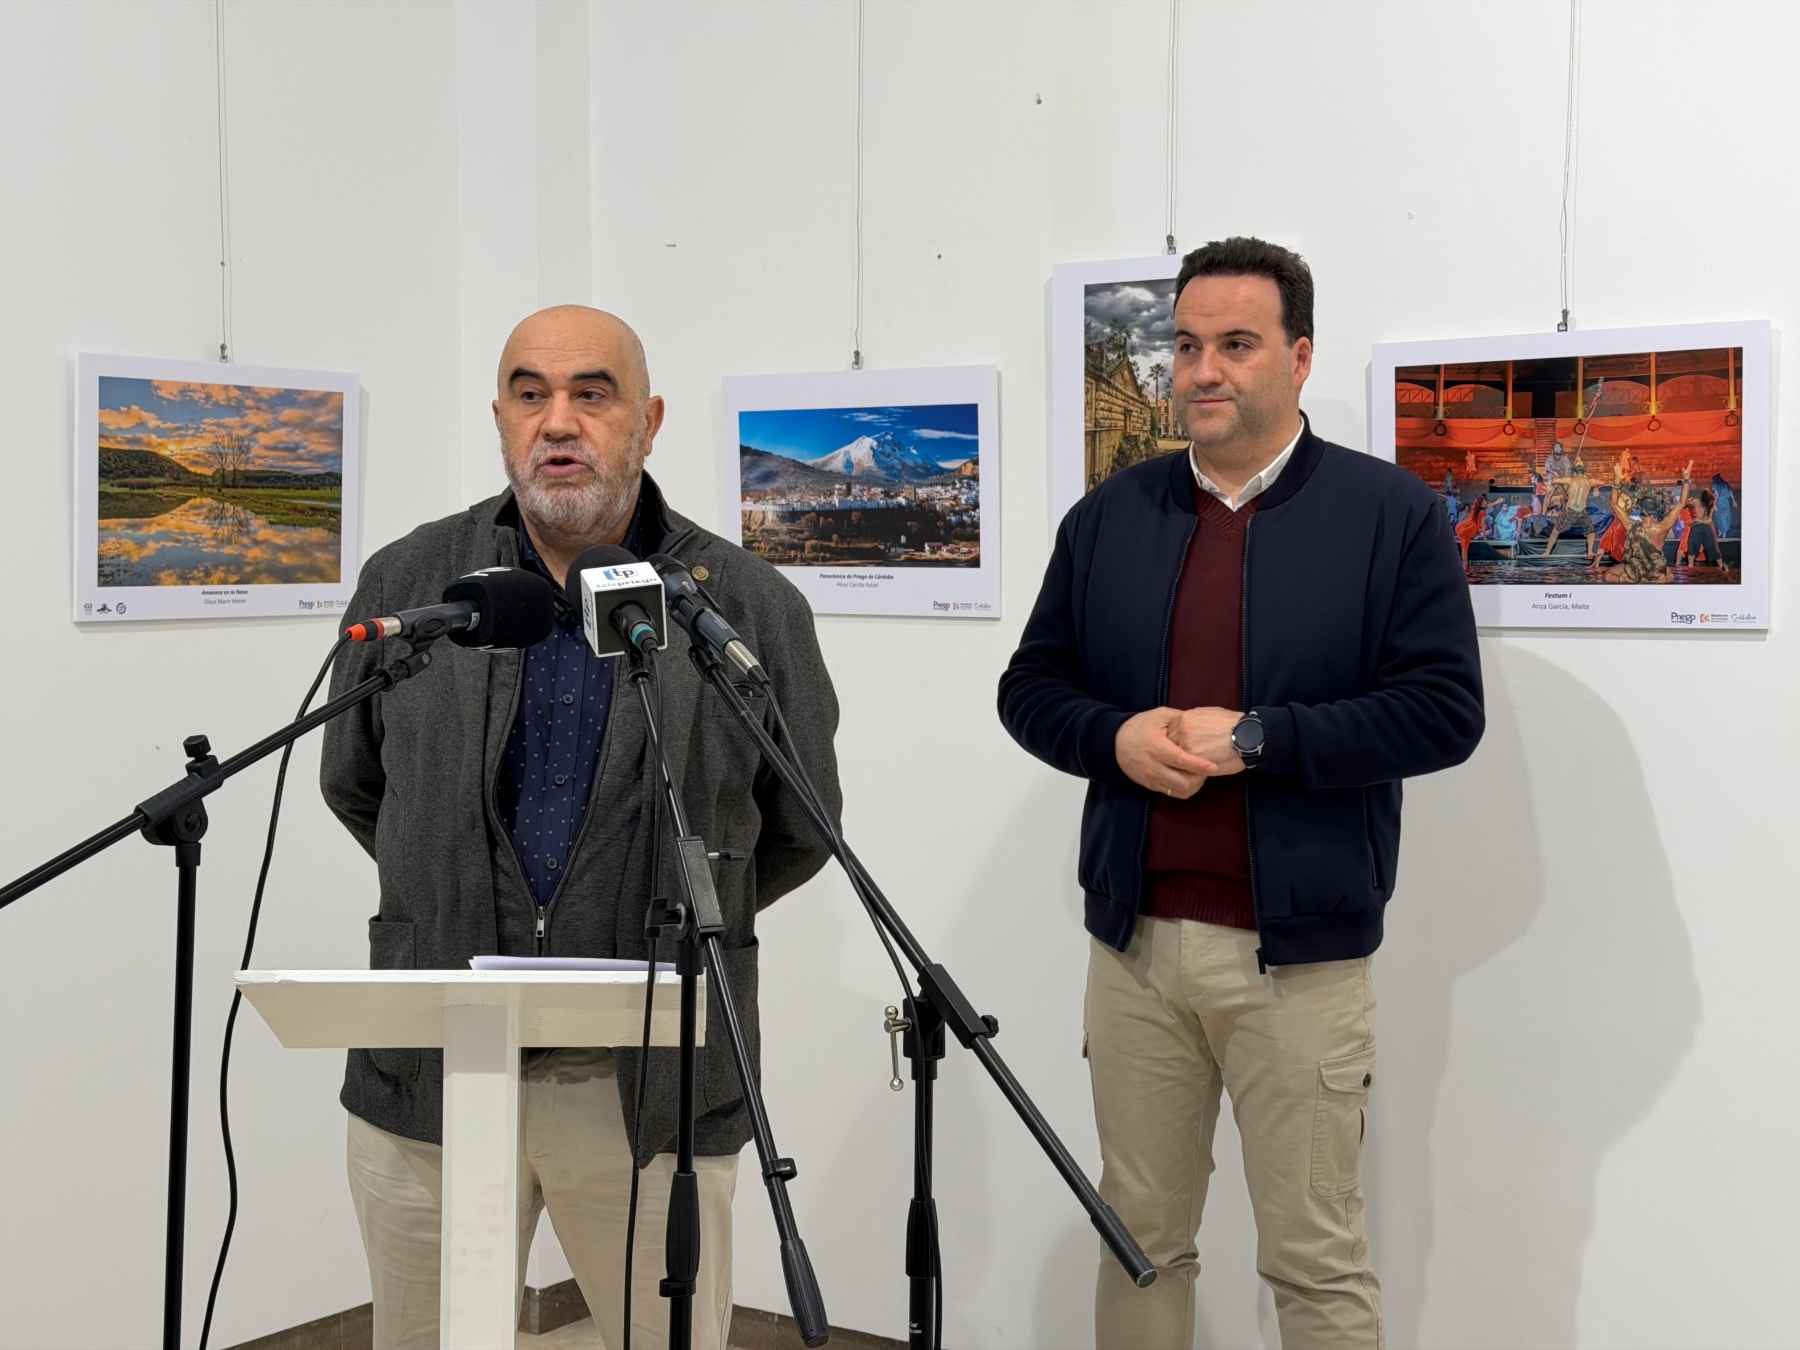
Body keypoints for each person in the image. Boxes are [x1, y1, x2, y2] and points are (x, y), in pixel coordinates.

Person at [320, 305, 842, 1350]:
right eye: (530, 393)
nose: (558, 421)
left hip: (648, 1086)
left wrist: (664, 906)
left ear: (645, 421)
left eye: (591, 394)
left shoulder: (743, 601)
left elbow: (799, 824)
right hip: (434, 1076)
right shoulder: (409, 581)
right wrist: (459, 888)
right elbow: (358, 784)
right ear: (502, 417)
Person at [998, 237, 1484, 1350]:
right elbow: (1030, 689)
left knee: (1314, 1262)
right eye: (1184, 344)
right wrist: (1113, 736)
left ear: (1299, 357)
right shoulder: (1110, 518)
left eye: (1235, 344)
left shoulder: (1391, 515)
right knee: (1138, 1241)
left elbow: (1445, 713)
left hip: (1298, 964)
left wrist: (1264, 738)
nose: (1202, 369)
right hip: (1133, 954)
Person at [1604, 459, 1694, 584]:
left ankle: (1625, 579)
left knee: (1608, 575)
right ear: (1657, 509)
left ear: (1640, 509)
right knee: (1669, 575)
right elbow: (1681, 503)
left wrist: (1617, 480)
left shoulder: (1631, 525)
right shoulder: (1663, 527)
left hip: (1634, 570)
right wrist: (1686, 480)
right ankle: (1658, 580)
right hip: (1655, 571)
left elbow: (1614, 504)